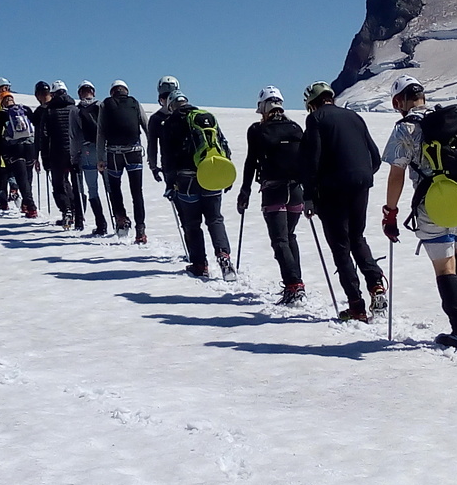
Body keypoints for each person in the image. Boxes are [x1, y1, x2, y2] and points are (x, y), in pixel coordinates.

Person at [381, 75, 457, 352]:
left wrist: (390, 212)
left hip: (435, 203)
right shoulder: (452, 119)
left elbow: (397, 174)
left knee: (444, 266)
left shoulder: (406, 128)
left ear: (399, 101)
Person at [300, 81, 386, 322]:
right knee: (357, 237)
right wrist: (361, 174)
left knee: (340, 245)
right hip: (361, 183)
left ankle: (356, 306)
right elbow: (375, 156)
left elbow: (312, 159)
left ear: (311, 103)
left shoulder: (316, 119)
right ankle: (376, 284)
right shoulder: (354, 116)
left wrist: (308, 195)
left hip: (331, 190)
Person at [237, 86, 306, 304]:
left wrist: (245, 191)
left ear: (264, 107)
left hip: (272, 190)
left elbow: (251, 162)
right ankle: (297, 283)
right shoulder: (295, 128)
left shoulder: (257, 130)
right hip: (296, 191)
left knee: (279, 240)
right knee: (290, 236)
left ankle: (293, 285)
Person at [161, 90, 235, 278]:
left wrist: (169, 184)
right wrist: (226, 174)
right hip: (212, 173)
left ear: (171, 105)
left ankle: (200, 265)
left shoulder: (170, 122)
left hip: (186, 180)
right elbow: (223, 145)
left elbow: (167, 158)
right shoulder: (206, 117)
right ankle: (224, 256)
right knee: (215, 218)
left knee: (192, 223)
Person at [96, 80, 149, 243]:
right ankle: (140, 229)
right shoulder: (134, 103)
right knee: (136, 191)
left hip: (114, 154)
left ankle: (121, 218)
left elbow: (101, 132)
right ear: (126, 90)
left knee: (115, 188)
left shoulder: (105, 105)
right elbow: (146, 125)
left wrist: (100, 158)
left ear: (112, 92)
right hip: (134, 152)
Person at [42, 80, 84, 230]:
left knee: (59, 184)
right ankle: (78, 216)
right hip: (75, 152)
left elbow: (44, 136)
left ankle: (66, 211)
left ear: (53, 94)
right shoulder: (75, 108)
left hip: (57, 152)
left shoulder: (49, 111)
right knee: (76, 184)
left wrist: (44, 157)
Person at [70, 80, 108, 235]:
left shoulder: (76, 110)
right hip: (104, 149)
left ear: (80, 93)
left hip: (86, 151)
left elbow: (73, 135)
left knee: (93, 188)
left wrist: (74, 156)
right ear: (93, 91)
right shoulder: (102, 106)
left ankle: (101, 224)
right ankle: (119, 221)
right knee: (110, 186)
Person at [0, 93, 39, 217]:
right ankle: (26, 204)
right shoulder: (25, 109)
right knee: (28, 176)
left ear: (2, 101)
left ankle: (31, 207)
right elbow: (35, 125)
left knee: (21, 179)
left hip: (14, 148)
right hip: (30, 146)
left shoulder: (2, 113)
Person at [148, 76, 180, 184]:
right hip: (189, 164)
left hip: (169, 164)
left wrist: (153, 166)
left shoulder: (155, 119)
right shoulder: (187, 114)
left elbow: (152, 145)